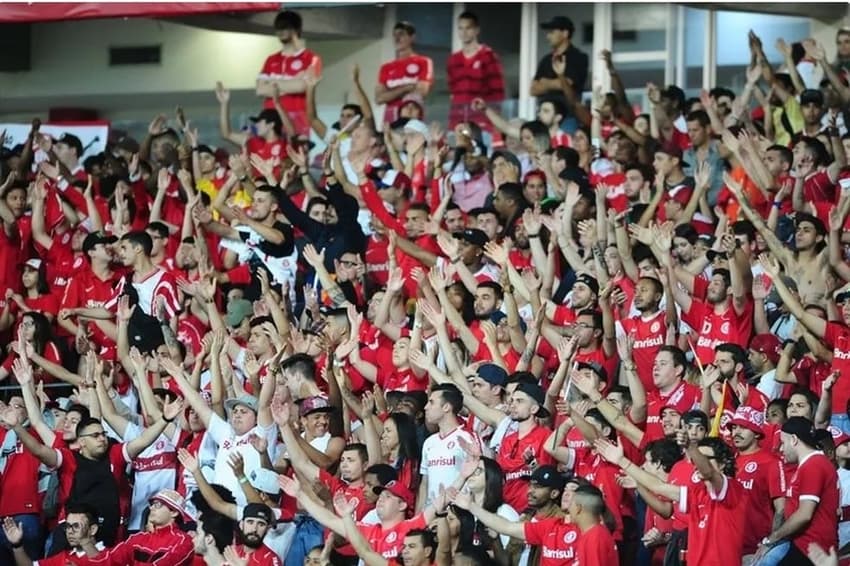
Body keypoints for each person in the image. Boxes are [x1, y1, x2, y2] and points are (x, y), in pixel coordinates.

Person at [70, 489, 195, 565]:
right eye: (151, 504)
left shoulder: (183, 541)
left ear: (174, 512)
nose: (151, 508)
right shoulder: (137, 539)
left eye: (157, 505)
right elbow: (109, 560)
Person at [256, 10, 322, 136]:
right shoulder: (271, 59)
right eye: (278, 28)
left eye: (285, 27)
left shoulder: (311, 58)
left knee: (295, 155)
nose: (280, 32)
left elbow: (302, 86)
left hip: (297, 119)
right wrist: (292, 82)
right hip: (271, 119)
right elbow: (260, 90)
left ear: (296, 29)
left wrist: (272, 84)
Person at [446, 11, 505, 135]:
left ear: (476, 30)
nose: (464, 32)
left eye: (468, 28)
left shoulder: (488, 56)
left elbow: (497, 92)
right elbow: (452, 93)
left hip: (482, 121)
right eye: (460, 28)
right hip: (457, 121)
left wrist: (496, 122)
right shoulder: (453, 59)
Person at [531, 16, 588, 130]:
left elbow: (568, 83)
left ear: (565, 33)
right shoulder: (546, 59)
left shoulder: (578, 57)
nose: (548, 36)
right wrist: (556, 83)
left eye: (552, 32)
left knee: (564, 146)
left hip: (568, 118)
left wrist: (545, 83)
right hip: (544, 119)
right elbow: (533, 89)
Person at [3, 504, 104, 566]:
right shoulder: (63, 557)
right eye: (68, 526)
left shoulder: (113, 556)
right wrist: (17, 545)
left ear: (93, 529)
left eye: (76, 526)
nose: (69, 531)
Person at [376, 21, 434, 124]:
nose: (397, 38)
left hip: (413, 117)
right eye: (395, 35)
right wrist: (406, 88)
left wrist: (391, 94)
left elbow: (421, 92)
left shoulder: (424, 62)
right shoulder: (386, 67)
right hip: (390, 119)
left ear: (412, 37)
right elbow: (379, 98)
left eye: (401, 34)